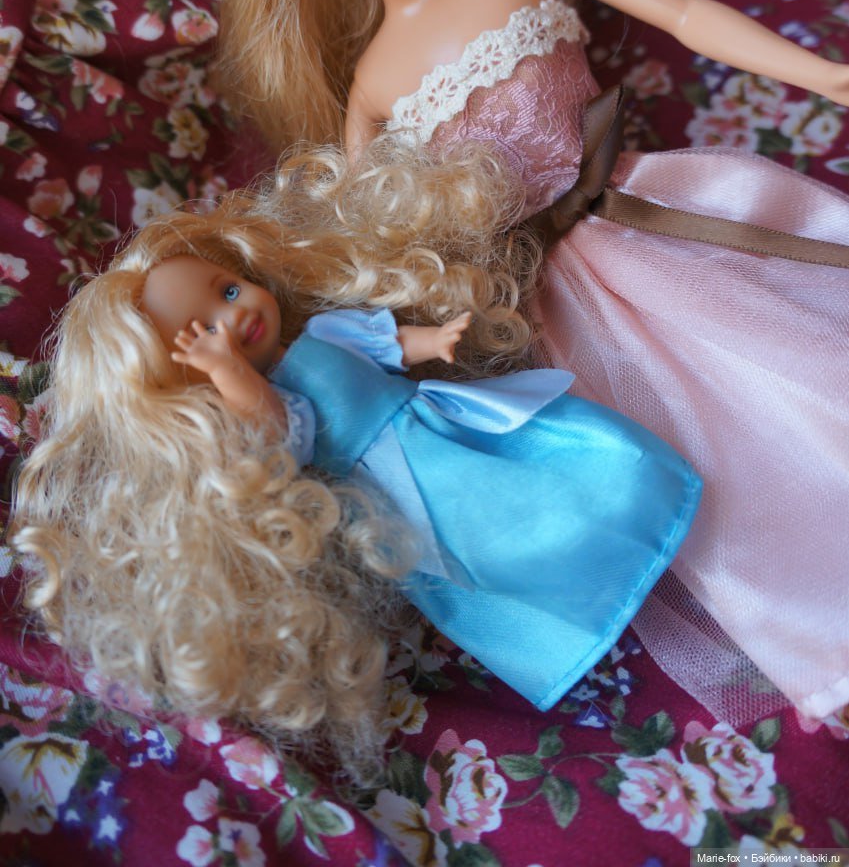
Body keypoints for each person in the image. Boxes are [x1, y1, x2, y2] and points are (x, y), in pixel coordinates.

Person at [203, 0, 849, 724]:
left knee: (805, 357)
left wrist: (829, 75)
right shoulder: (369, 92)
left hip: (655, 213)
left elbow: (686, 15)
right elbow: (370, 258)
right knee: (711, 472)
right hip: (567, 310)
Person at [11, 143, 700, 770]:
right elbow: (275, 431)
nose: (234, 317)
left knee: (544, 472)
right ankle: (573, 599)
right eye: (203, 334)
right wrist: (230, 372)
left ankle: (630, 516)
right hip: (401, 485)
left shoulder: (325, 331)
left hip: (438, 424)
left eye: (227, 290)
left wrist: (436, 342)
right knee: (486, 539)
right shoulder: (264, 402)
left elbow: (387, 345)